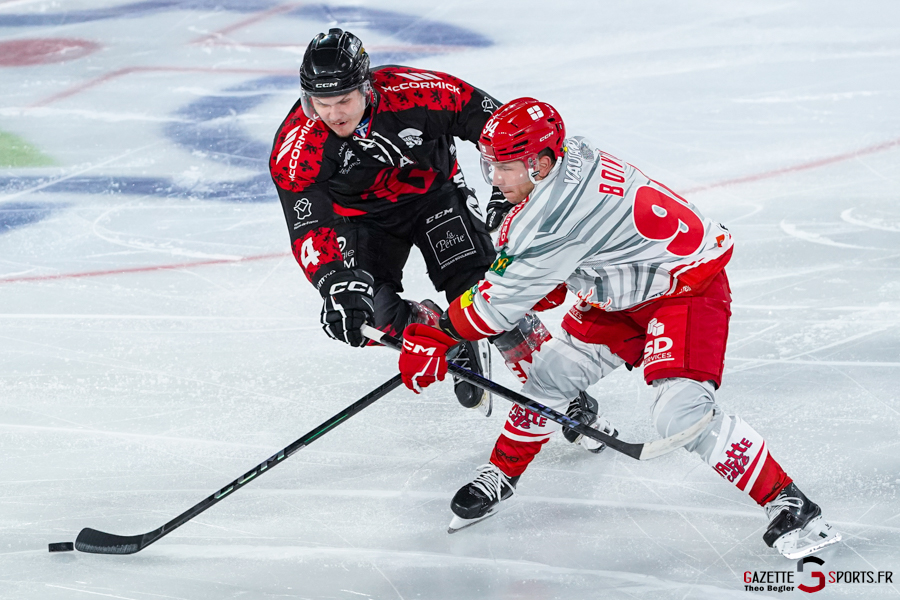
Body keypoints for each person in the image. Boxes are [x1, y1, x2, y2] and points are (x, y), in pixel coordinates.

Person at [395, 97, 841, 558]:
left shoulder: (551, 219)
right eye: (490, 166)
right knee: (550, 379)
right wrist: (540, 270)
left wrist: (436, 336)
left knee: (681, 413)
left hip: (684, 289)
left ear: (542, 163)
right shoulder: (576, 155)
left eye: (506, 168)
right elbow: (570, 257)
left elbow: (495, 308)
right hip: (624, 287)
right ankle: (502, 475)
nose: (496, 180)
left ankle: (790, 503)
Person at [269, 28, 524, 411]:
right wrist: (334, 280)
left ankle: (561, 384)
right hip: (360, 222)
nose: (333, 114)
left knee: (485, 298)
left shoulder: (415, 92)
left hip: (435, 196)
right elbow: (308, 226)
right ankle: (437, 331)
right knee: (364, 319)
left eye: (344, 100)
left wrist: (507, 191)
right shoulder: (300, 145)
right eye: (321, 103)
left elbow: (497, 123)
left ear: (366, 87)